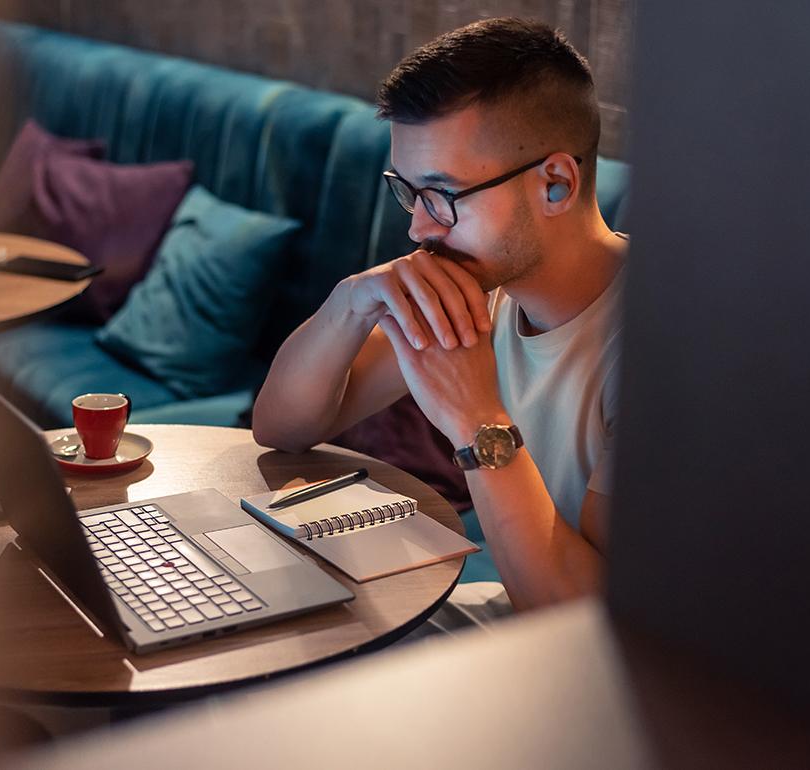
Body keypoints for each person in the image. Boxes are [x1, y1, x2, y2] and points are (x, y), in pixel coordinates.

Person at [252, 17, 628, 622]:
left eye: (443, 194)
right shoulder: (478, 287)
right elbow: (280, 427)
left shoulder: (660, 349)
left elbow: (587, 623)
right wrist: (351, 301)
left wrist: (477, 422)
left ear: (555, 184)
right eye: (409, 191)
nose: (419, 228)